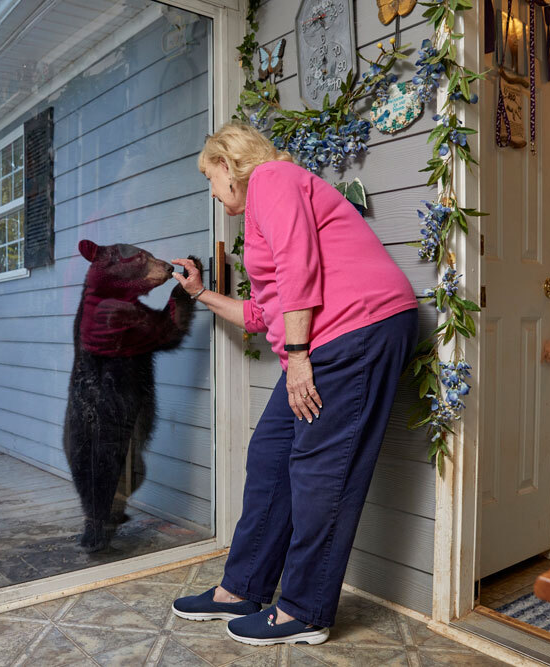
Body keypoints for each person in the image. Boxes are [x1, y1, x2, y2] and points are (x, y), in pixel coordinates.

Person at [170, 122, 419, 646]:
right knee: (270, 453)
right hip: (329, 338)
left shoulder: (273, 179)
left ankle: (305, 611)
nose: (211, 191)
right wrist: (199, 293)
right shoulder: (264, 203)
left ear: (229, 163)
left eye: (209, 177)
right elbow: (263, 312)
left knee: (322, 471)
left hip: (359, 331)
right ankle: (242, 588)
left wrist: (300, 355)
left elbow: (301, 267)